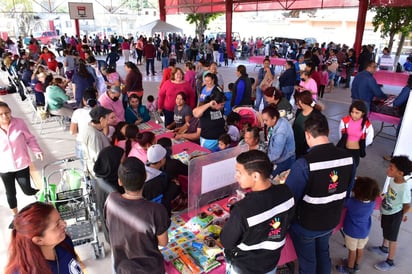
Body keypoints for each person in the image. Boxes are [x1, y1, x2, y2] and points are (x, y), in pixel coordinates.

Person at [285, 111, 354, 274]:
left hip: (306, 225)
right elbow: (347, 191)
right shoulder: (348, 159)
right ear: (328, 132)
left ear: (307, 134)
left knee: (308, 261)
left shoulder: (303, 165)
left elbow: (289, 199)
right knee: (323, 253)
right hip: (332, 220)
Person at [220, 150, 295, 274]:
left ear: (255, 176)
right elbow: (287, 220)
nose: (236, 176)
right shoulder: (286, 192)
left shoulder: (242, 209)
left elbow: (226, 242)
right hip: (271, 262)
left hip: (245, 267)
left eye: (239, 172)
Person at [104, 157, 170, 273]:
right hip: (150, 269)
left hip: (121, 267)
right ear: (145, 178)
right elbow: (163, 242)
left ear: (120, 181)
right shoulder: (156, 210)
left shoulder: (111, 200)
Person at [5, 202, 83, 274]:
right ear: (39, 240)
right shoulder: (24, 271)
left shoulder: (64, 242)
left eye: (61, 219)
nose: (64, 224)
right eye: (57, 225)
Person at [0, 102, 43, 225]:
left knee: (27, 190)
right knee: (11, 192)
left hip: (21, 164)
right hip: (4, 167)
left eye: (7, 113)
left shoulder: (19, 123)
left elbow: (30, 139)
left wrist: (37, 150)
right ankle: (15, 215)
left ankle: (40, 196)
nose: (4, 116)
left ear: (10, 111)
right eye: (1, 114)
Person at [370, 156, 412, 271]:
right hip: (387, 211)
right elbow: (389, 194)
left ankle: (390, 261)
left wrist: (402, 215)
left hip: (395, 215)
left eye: (391, 168)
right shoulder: (393, 180)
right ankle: (384, 248)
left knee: (392, 238)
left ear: (400, 173)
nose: (388, 169)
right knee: (386, 230)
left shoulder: (404, 188)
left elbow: (407, 205)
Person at [335, 177, 380, 274]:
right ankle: (356, 265)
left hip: (352, 232)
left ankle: (349, 268)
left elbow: (342, 202)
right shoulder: (372, 203)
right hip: (364, 232)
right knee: (360, 249)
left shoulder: (351, 202)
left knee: (352, 251)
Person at [261, 105, 295, 176]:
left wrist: (262, 160)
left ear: (274, 118)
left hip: (284, 160)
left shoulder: (280, 133)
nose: (264, 123)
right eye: (263, 120)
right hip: (286, 155)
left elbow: (276, 154)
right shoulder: (281, 120)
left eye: (266, 120)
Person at [338, 100, 374, 167]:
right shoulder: (344, 121)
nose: (353, 114)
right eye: (352, 112)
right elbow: (340, 135)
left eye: (357, 113)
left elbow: (369, 139)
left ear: (363, 113)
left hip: (355, 152)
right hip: (343, 149)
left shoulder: (367, 125)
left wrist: (362, 145)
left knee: (352, 170)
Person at [80, 106, 111, 177]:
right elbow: (97, 157)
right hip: (99, 173)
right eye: (107, 118)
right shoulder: (94, 135)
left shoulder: (91, 126)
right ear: (101, 119)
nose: (108, 121)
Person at [292, 90, 323, 158]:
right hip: (295, 144)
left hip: (304, 148)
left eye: (297, 102)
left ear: (301, 102)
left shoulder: (316, 116)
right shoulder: (299, 111)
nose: (296, 104)